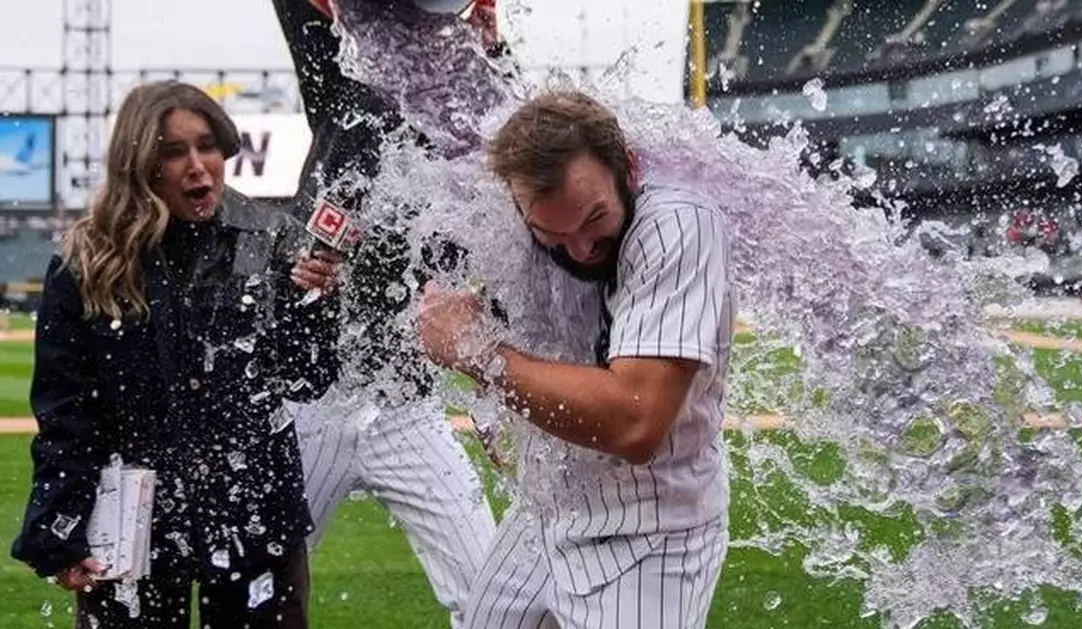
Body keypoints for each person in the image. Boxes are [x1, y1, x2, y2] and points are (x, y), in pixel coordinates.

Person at [10, 81, 342, 629]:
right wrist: (58, 528)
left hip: (254, 507)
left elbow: (308, 378)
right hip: (132, 516)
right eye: (173, 152)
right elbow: (67, 411)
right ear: (139, 164)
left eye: (207, 146)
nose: (197, 166)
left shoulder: (271, 239)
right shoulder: (86, 261)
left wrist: (318, 306)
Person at [417, 91, 735, 629]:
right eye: (552, 235)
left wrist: (481, 356)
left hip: (650, 534)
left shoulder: (678, 223)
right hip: (544, 515)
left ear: (628, 167)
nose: (581, 250)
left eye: (595, 220)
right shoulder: (519, 220)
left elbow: (636, 421)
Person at [270, 0, 501, 625]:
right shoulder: (345, 93)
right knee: (261, 585)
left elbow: (523, 134)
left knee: (489, 594)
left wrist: (491, 45)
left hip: (405, 407)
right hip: (312, 403)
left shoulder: (465, 127)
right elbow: (305, 23)